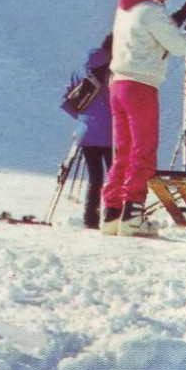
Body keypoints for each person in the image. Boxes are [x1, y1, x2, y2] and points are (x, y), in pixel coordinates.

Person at [100, 0, 186, 237]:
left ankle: (113, 213)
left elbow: (151, 34)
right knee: (143, 150)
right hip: (141, 85)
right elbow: (178, 45)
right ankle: (133, 214)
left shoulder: (127, 8)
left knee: (123, 151)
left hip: (118, 84)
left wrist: (179, 17)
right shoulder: (152, 10)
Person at [70, 34, 114, 230]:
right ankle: (113, 215)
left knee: (94, 177)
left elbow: (69, 100)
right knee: (114, 176)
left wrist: (84, 120)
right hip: (111, 133)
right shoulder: (114, 71)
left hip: (86, 132)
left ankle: (90, 218)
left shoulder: (82, 70)